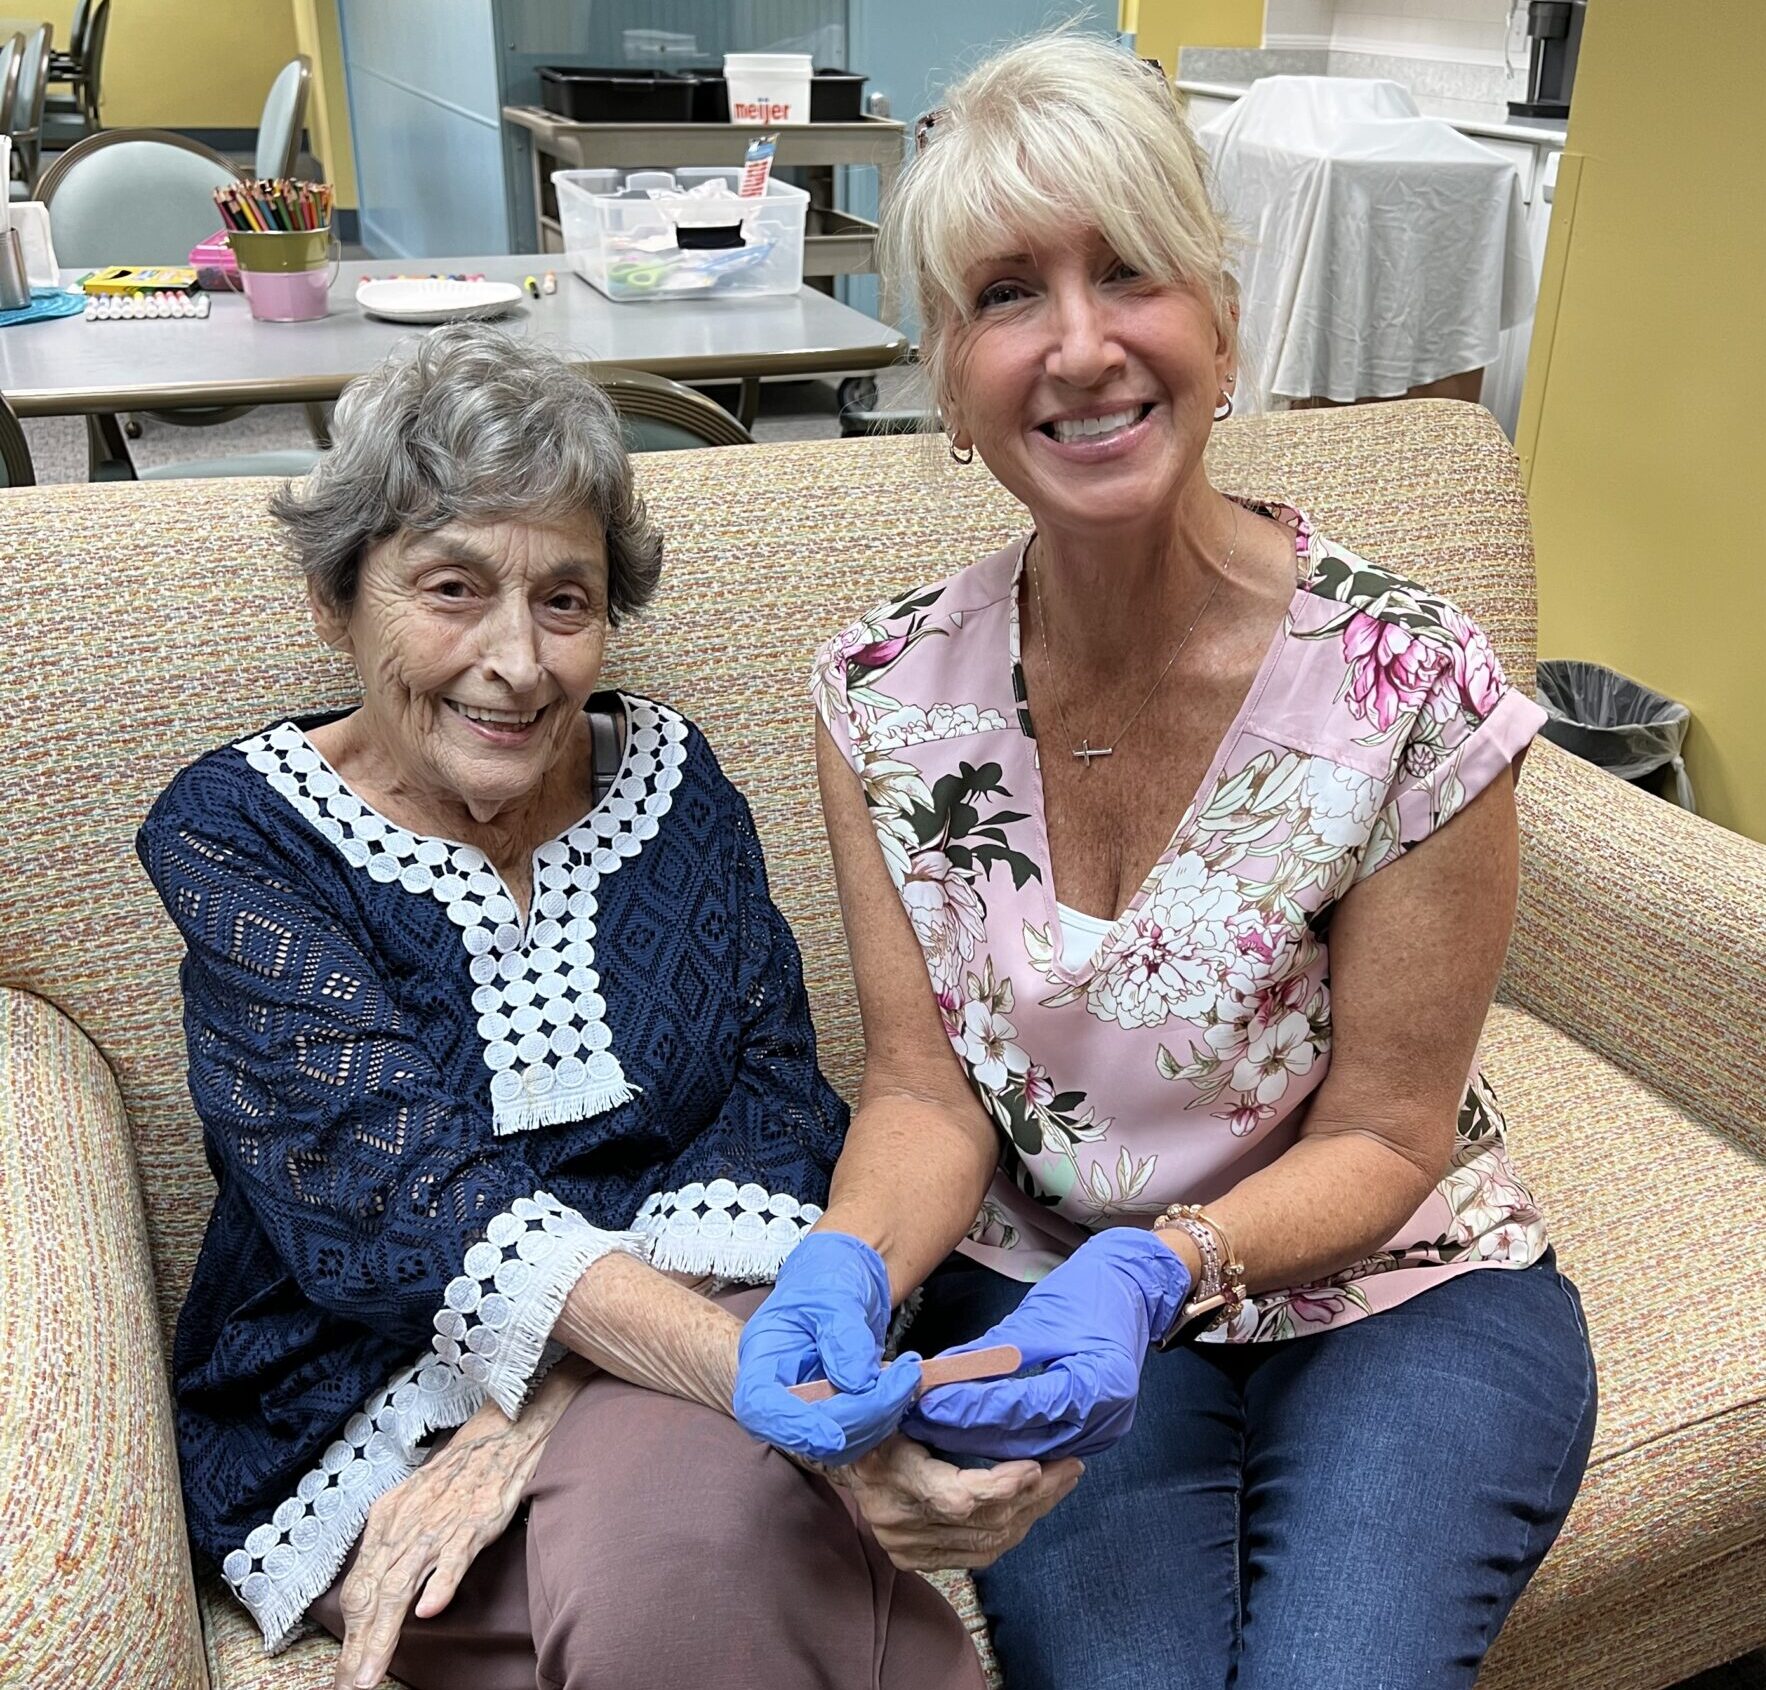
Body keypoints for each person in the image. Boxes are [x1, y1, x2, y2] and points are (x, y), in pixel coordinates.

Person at [731, 33, 1598, 1690]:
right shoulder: (876, 695)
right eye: (1002, 293)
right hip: (1043, 1289)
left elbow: (1391, 1123)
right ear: (941, 363)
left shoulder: (1406, 679)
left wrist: (1166, 1263)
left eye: (1125, 272)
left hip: (1395, 1286)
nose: (1076, 346)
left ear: (1217, 317)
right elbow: (921, 1086)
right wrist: (848, 1263)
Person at [139, 324, 1033, 1690]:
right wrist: (795, 1408)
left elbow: (773, 1107)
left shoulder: (673, 786)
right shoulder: (243, 835)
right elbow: (401, 1191)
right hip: (362, 1385)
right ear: (336, 599)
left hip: (688, 1335)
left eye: (566, 599)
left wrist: (551, 1403)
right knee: (695, 1546)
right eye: (451, 588)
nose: (517, 660)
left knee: (675, 1548)